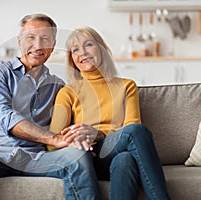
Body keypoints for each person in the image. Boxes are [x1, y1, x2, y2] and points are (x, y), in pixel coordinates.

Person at [0, 14, 102, 200]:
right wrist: (53, 139)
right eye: (31, 37)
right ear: (20, 41)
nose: (38, 45)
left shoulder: (59, 86)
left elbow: (70, 122)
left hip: (35, 159)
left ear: (53, 46)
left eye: (45, 39)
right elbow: (5, 117)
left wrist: (80, 138)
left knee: (77, 157)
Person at [48, 27, 170, 200]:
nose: (82, 52)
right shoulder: (68, 92)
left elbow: (131, 128)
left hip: (113, 153)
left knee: (126, 158)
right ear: (72, 59)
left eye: (88, 45)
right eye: (75, 49)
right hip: (87, 158)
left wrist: (98, 133)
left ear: (101, 49)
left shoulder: (127, 86)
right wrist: (77, 144)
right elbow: (52, 143)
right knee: (133, 137)